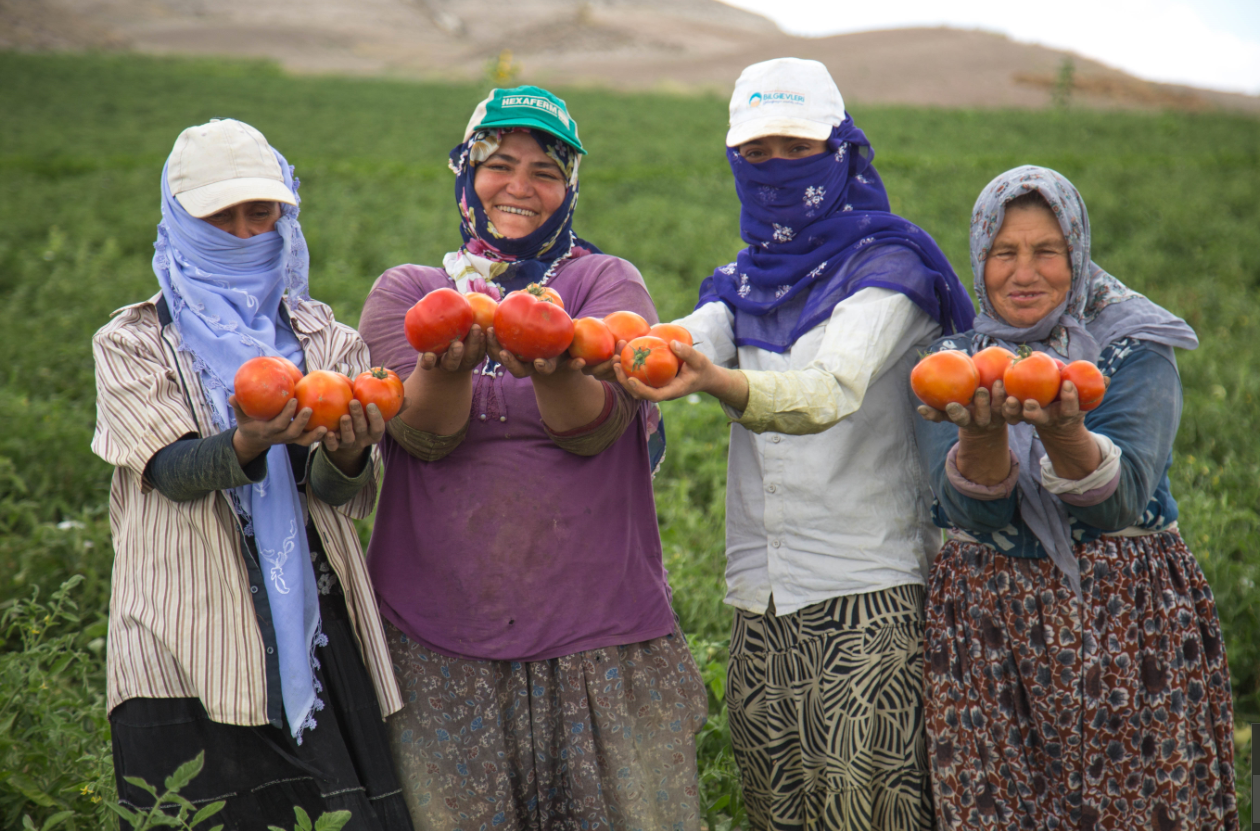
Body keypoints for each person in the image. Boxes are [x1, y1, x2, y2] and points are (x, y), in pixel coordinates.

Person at [614, 58, 975, 830]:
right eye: (757, 152)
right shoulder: (747, 278)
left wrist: (716, 382)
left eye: (797, 148)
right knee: (778, 810)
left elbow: (828, 391)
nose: (776, 167)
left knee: (864, 810)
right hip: (760, 595)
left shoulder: (889, 270)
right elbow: (691, 333)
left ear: (840, 149)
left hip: (867, 591)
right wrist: (616, 346)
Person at [356, 86, 707, 831]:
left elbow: (592, 428)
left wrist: (555, 364)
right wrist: (447, 366)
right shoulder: (408, 293)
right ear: (465, 172)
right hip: (437, 640)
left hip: (601, 638)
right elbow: (426, 435)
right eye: (499, 164)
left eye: (546, 171)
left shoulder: (606, 287)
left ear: (569, 186)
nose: (520, 186)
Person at [91, 118, 410, 829]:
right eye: (218, 217)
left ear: (284, 214)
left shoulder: (327, 338)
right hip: (186, 633)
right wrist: (246, 441)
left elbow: (334, 493)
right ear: (180, 220)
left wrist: (350, 451)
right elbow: (170, 469)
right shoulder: (134, 341)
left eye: (259, 213)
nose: (242, 232)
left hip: (313, 628)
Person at [913, 165, 1237, 830]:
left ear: (1077, 252)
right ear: (980, 257)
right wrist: (981, 438)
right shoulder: (948, 364)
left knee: (1132, 806)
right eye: (1005, 252)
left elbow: (1118, 503)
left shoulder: (1133, 345)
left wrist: (1065, 433)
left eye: (1047, 251)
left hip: (1121, 616)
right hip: (986, 627)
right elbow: (967, 510)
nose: (1024, 273)